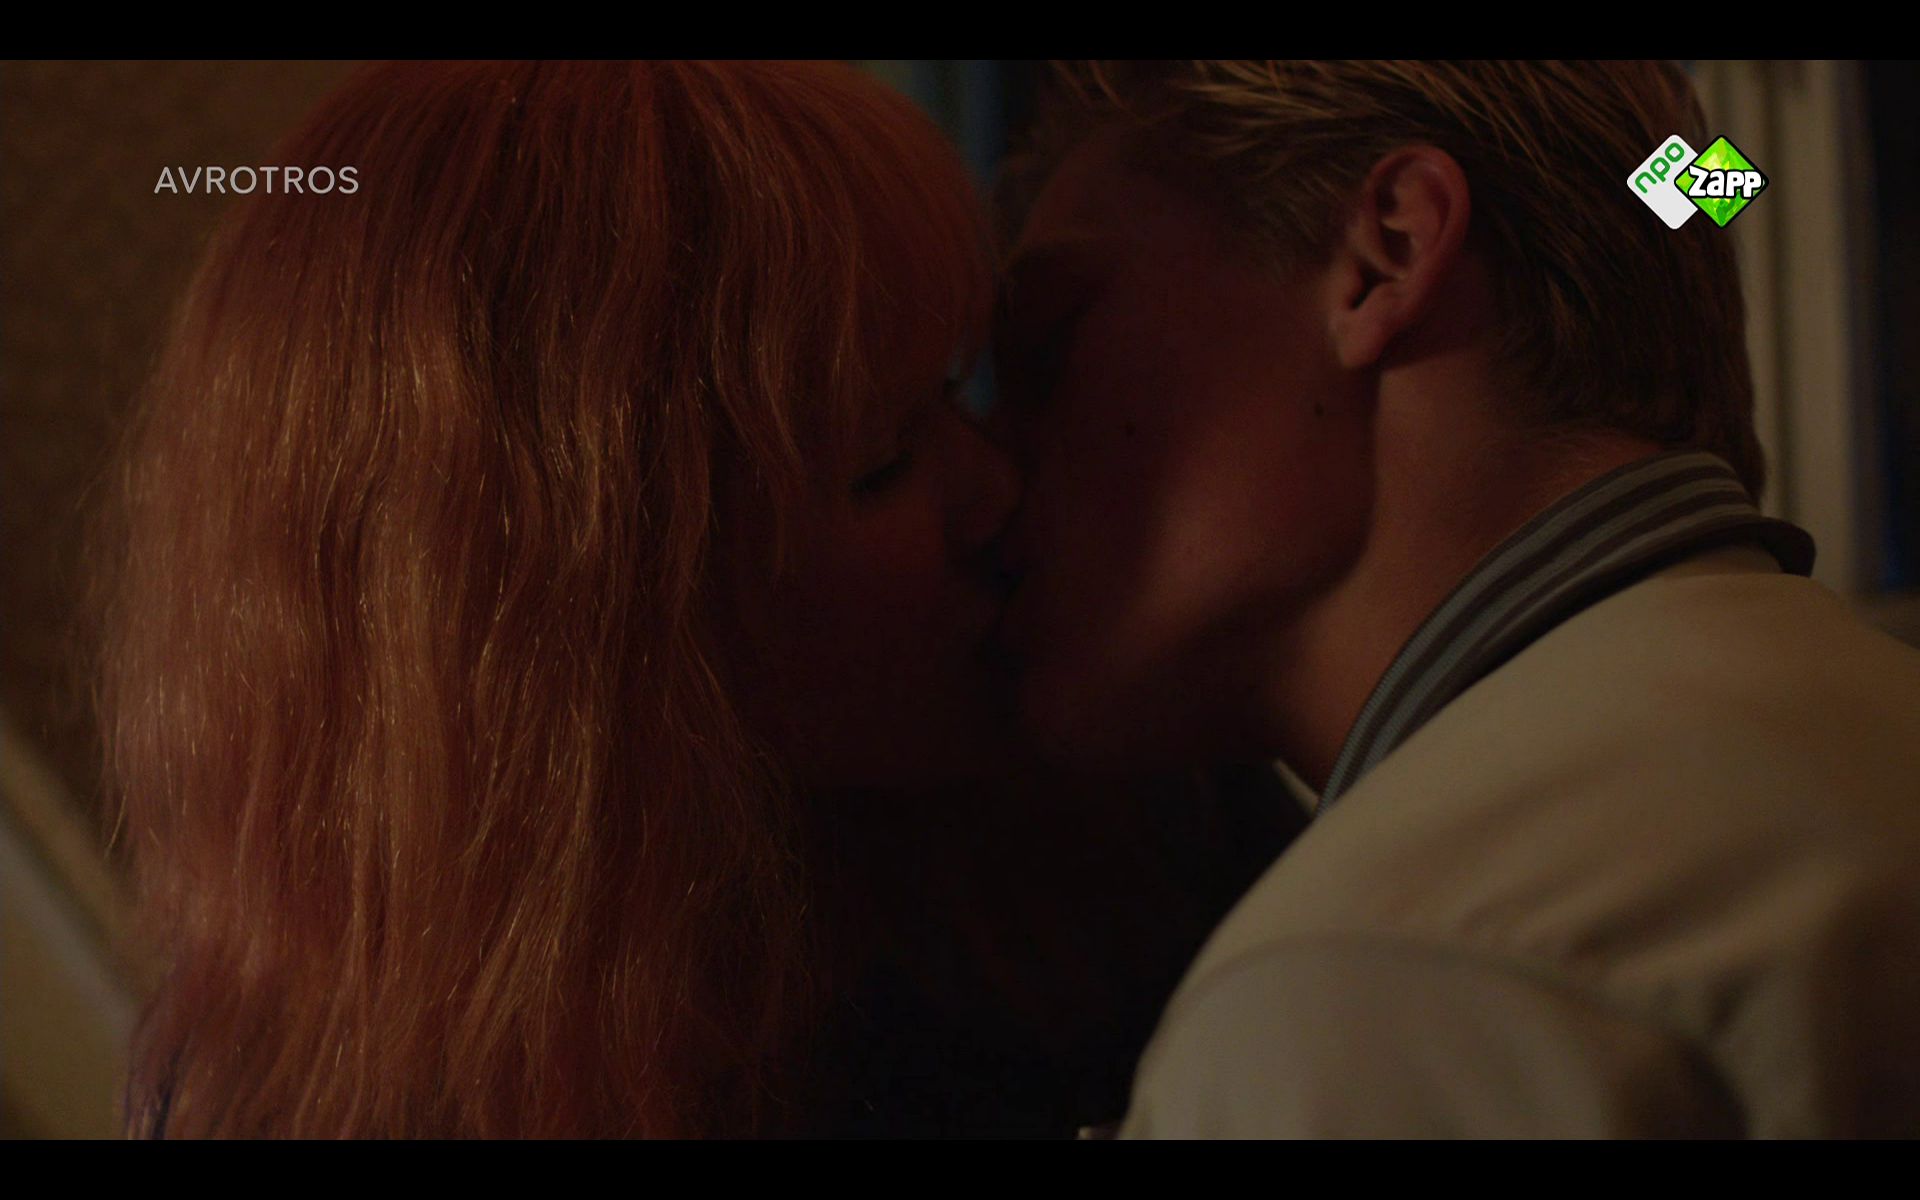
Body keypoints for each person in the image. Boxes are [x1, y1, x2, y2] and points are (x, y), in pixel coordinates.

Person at [90, 60, 1291, 1139]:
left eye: (951, 390)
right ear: (585, 625)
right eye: (882, 463)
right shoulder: (303, 1100)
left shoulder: (1123, 811)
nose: (993, 487)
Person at [990, 60, 1920, 1136]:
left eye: (1048, 347)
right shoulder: (1864, 727)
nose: (987, 473)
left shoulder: (1389, 977)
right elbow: (1713, 179)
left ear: (1386, 253)